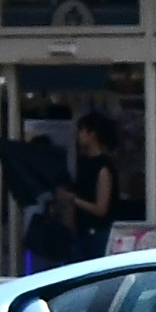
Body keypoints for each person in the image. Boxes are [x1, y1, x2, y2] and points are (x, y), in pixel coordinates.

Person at [54, 113, 118, 263]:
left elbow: (101, 208)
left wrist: (73, 200)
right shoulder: (84, 163)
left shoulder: (103, 167)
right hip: (81, 233)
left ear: (92, 134)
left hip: (97, 234)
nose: (79, 136)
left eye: (82, 131)